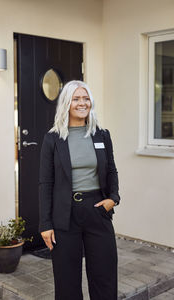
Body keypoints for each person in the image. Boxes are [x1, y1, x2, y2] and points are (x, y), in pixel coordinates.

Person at [39, 80, 120, 300]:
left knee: (104, 275)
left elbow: (111, 170)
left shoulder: (101, 135)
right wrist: (45, 224)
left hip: (97, 210)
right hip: (65, 214)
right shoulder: (53, 139)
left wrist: (113, 198)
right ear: (67, 103)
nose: (82, 103)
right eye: (76, 99)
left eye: (86, 98)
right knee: (67, 282)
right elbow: (46, 183)